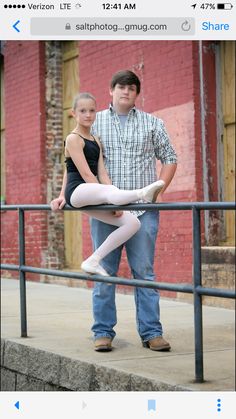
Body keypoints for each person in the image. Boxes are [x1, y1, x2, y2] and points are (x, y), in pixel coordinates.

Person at [51, 71, 177, 353]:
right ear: (111, 90)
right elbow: (74, 163)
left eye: (132, 88)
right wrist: (62, 195)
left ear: (137, 93)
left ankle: (152, 332)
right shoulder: (95, 123)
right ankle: (103, 332)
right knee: (105, 270)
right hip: (107, 211)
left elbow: (170, 158)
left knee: (144, 272)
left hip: (142, 212)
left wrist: (160, 190)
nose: (126, 92)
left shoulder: (153, 123)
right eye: (121, 87)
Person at [51, 92, 165, 277]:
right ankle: (142, 194)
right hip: (78, 191)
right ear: (73, 113)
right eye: (82, 111)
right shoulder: (73, 139)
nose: (88, 115)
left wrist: (114, 197)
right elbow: (86, 173)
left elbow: (102, 173)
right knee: (110, 191)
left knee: (132, 223)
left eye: (91, 111)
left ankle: (93, 260)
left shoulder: (96, 140)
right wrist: (110, 202)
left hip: (92, 193)